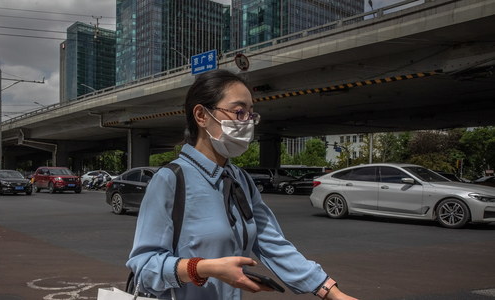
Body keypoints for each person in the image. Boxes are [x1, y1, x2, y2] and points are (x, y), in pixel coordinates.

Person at [126, 69, 358, 300]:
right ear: (201, 115)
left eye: (250, 114)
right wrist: (203, 268)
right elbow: (144, 268)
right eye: (239, 112)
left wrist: (331, 292)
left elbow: (272, 244)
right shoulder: (170, 179)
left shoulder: (241, 180)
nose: (246, 122)